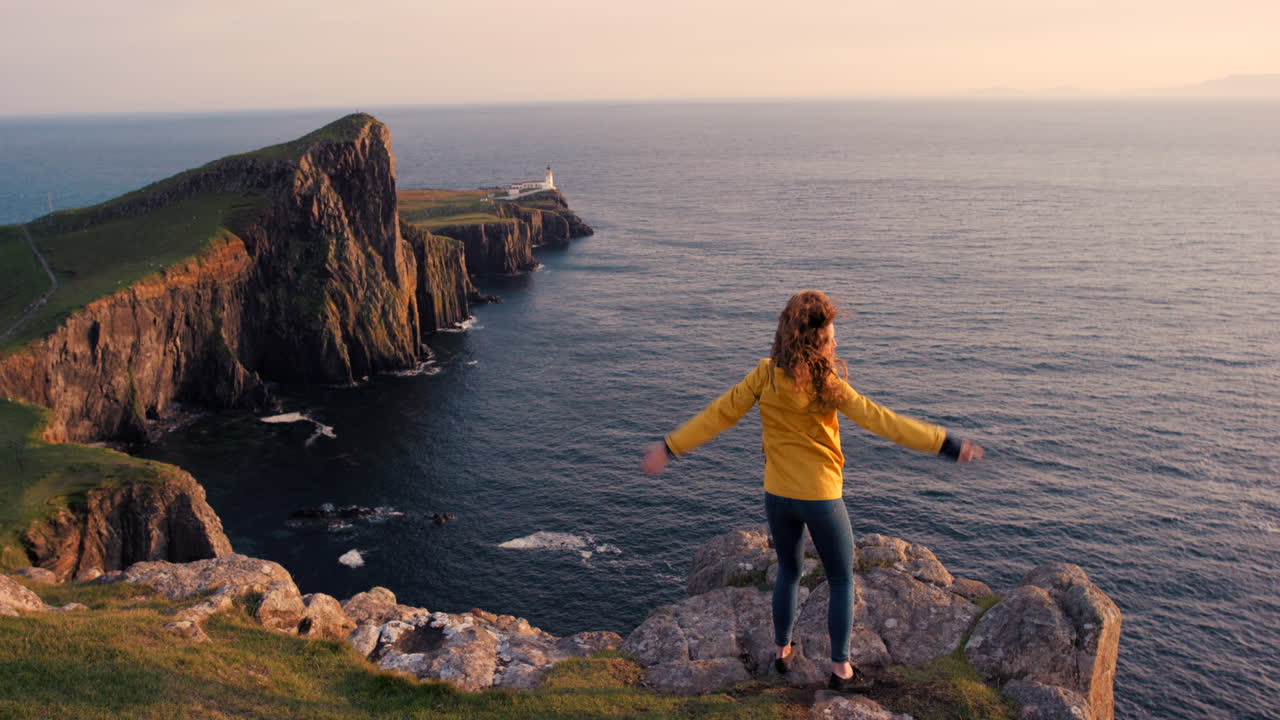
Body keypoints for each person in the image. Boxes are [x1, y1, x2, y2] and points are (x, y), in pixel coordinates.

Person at [641, 289, 983, 692]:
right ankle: (841, 670)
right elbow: (884, 421)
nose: (835, 343)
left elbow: (719, 414)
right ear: (815, 341)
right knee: (840, 580)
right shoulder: (828, 385)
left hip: (777, 495)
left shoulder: (765, 374)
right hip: (820, 497)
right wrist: (945, 444)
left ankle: (782, 651)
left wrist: (669, 447)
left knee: (788, 571)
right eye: (831, 337)